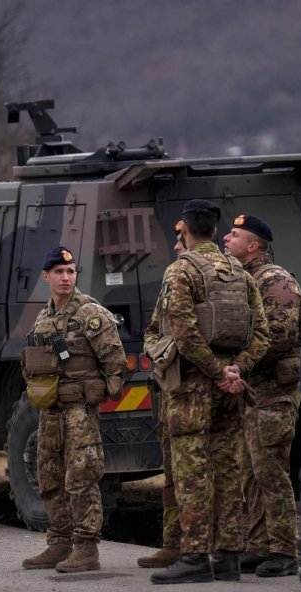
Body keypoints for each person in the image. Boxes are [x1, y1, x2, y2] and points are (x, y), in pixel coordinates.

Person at [150, 200, 270, 585]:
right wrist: (238, 369)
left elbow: (183, 332)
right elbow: (262, 333)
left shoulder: (181, 270)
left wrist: (217, 372)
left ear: (183, 228)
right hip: (230, 388)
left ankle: (195, 556)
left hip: (192, 388)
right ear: (216, 232)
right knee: (229, 470)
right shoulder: (240, 273)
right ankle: (229, 557)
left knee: (192, 472)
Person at [21, 246, 126, 573]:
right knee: (48, 474)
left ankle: (86, 548)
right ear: (46, 277)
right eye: (58, 273)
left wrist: (96, 393)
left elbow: (116, 363)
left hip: (79, 410)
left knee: (81, 475)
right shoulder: (43, 317)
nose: (65, 278)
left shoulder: (89, 313)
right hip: (50, 410)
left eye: (70, 272)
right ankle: (59, 542)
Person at [223, 214, 301, 577]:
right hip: (252, 394)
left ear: (253, 245)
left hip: (273, 392)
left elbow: (280, 334)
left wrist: (239, 360)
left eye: (235, 234)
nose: (227, 238)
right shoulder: (244, 279)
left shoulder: (274, 280)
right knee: (250, 472)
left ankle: (286, 550)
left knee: (271, 472)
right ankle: (259, 545)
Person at [138, 222, 185, 569]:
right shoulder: (173, 277)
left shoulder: (216, 277)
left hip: (197, 390)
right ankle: (174, 543)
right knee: (172, 471)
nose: (177, 247)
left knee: (203, 472)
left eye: (181, 240)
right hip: (169, 387)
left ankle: (209, 547)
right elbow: (154, 328)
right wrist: (159, 352)